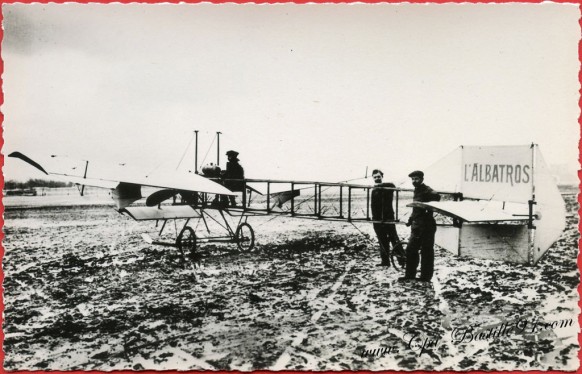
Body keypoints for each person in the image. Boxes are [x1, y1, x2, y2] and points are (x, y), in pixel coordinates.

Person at [399, 170, 441, 283]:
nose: (414, 181)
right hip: (416, 226)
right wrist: (410, 220)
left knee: (426, 252)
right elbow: (416, 209)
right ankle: (410, 275)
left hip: (427, 226)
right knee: (411, 250)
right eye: (412, 179)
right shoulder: (416, 190)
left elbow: (437, 196)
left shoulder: (426, 190)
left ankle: (425, 277)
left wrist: (428, 207)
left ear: (422, 179)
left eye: (416, 179)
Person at [370, 169, 401, 267]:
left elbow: (393, 185)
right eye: (375, 177)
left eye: (378, 177)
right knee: (382, 239)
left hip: (388, 217)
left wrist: (379, 185)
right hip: (377, 218)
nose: (377, 179)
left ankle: (402, 260)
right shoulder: (374, 190)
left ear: (382, 176)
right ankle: (385, 261)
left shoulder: (388, 187)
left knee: (393, 238)